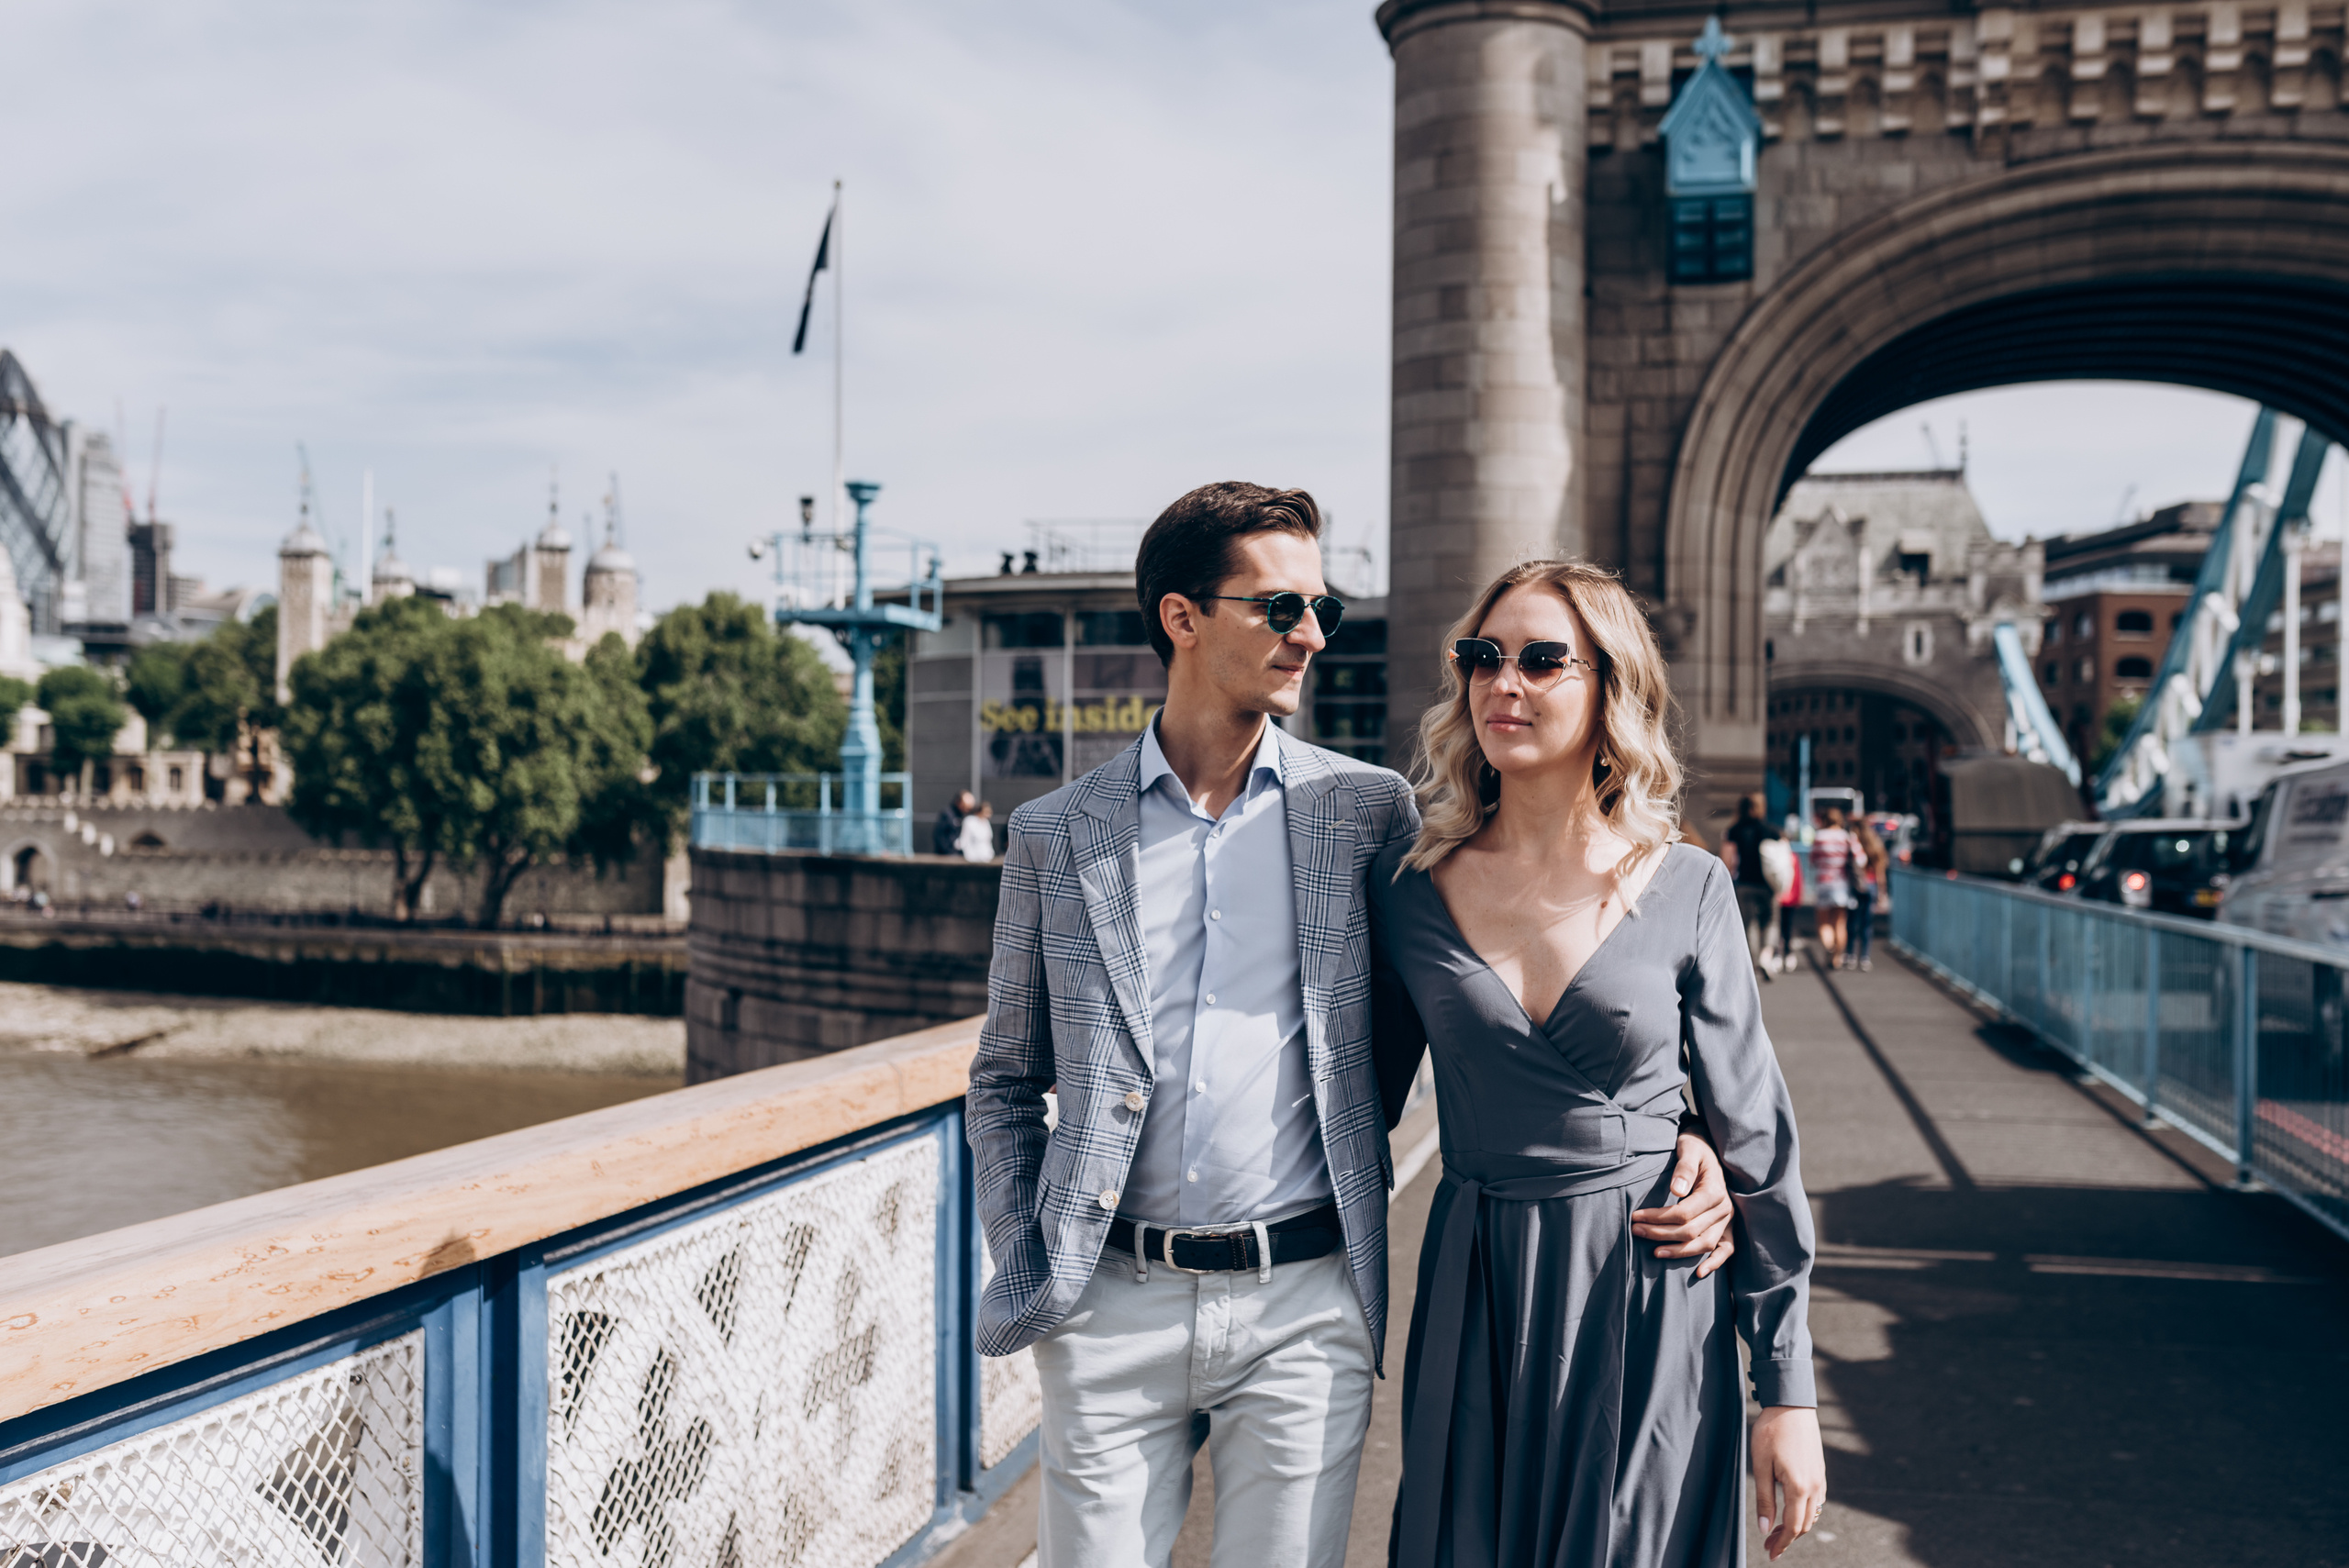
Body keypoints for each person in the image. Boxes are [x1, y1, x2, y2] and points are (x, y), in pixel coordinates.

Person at [965, 484, 1739, 1568]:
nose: (1314, 635)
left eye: (1319, 608)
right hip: (1112, 1304)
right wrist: (1032, 1257)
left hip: (1303, 1301)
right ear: (1183, 618)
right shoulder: (1056, 833)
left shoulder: (1366, 811)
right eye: (1281, 609)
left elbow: (1495, 994)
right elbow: (1004, 1078)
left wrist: (1680, 1126)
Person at [1371, 559, 1825, 1567]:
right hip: (1475, 1287)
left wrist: (1784, 1388)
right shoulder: (1406, 889)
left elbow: (1757, 1134)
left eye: (1541, 660)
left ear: (1610, 685)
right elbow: (1349, 1104)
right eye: (1481, 658)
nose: (1504, 684)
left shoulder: (1688, 885)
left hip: (1648, 1282)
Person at [1720, 793, 1781, 982]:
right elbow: (1782, 860)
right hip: (1767, 884)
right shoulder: (1771, 831)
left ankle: (1753, 964)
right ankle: (1766, 954)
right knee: (1771, 920)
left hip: (1744, 884)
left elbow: (1727, 861)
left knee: (1750, 923)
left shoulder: (1734, 830)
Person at [1809, 806, 1856, 970]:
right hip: (1841, 884)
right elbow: (1860, 859)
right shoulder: (1847, 837)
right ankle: (1837, 958)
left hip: (1824, 883)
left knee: (1823, 922)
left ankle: (1829, 946)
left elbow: (1812, 860)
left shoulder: (1820, 836)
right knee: (1840, 923)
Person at [1851, 817, 1888, 971]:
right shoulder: (1876, 846)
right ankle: (1865, 957)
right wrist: (1882, 892)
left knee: (1852, 922)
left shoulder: (1854, 846)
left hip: (1856, 886)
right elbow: (1880, 873)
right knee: (1867, 924)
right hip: (1871, 887)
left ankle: (1850, 954)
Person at [933, 788, 977, 857]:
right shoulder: (947, 814)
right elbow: (939, 835)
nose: (966, 810)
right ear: (958, 802)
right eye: (965, 807)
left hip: (959, 855)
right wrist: (948, 852)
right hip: (947, 855)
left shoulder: (963, 816)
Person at [957, 798, 997, 862]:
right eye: (986, 812)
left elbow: (987, 841)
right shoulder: (969, 821)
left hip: (986, 858)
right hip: (972, 859)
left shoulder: (986, 823)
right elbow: (965, 839)